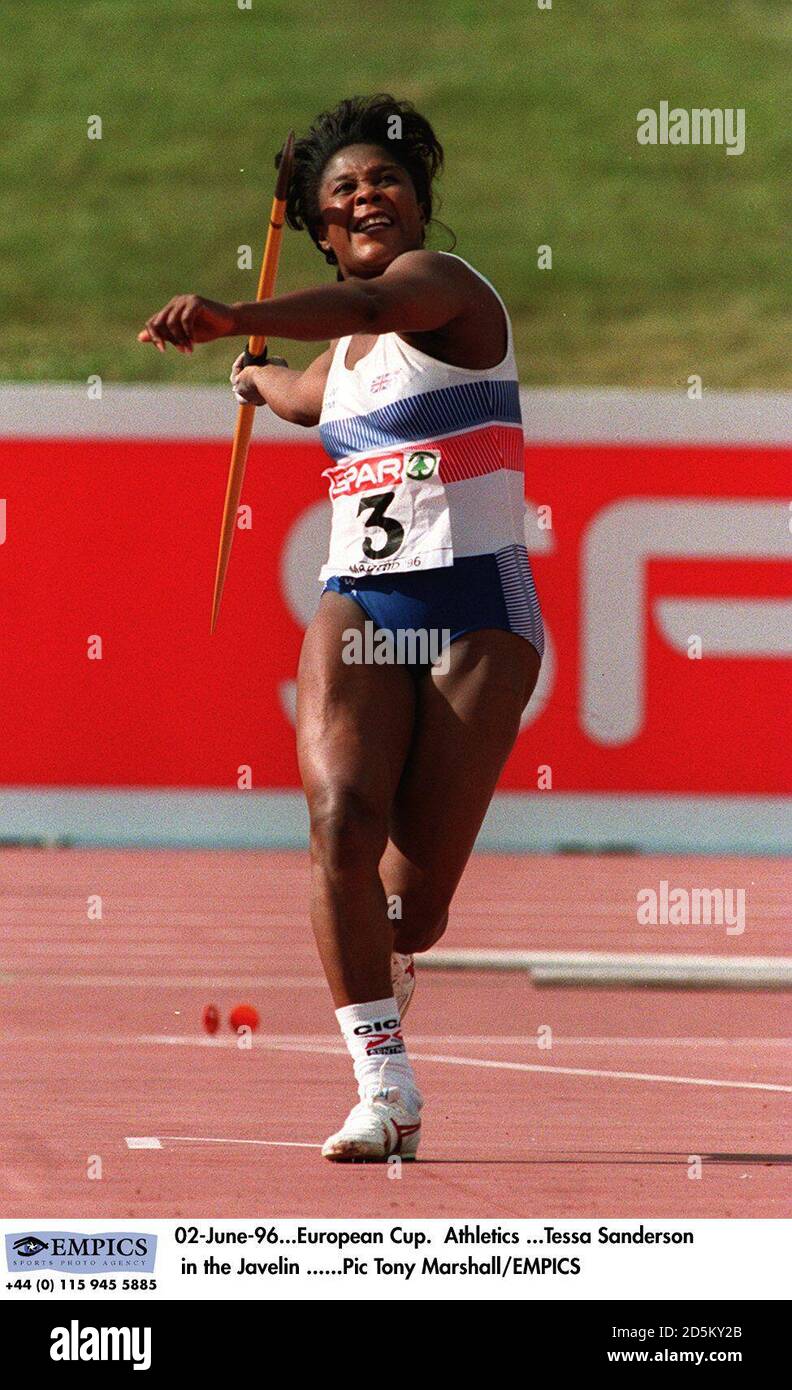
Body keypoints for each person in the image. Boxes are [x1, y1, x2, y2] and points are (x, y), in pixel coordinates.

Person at [139, 94, 544, 1162]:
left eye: (383, 181)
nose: (366, 196)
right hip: (361, 604)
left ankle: (394, 954)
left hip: (474, 622)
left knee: (412, 911)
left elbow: (366, 313)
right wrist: (251, 371)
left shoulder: (442, 292)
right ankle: (386, 1087)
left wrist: (236, 309)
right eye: (341, 192)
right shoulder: (345, 361)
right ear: (320, 228)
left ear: (416, 203)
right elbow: (305, 395)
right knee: (338, 823)